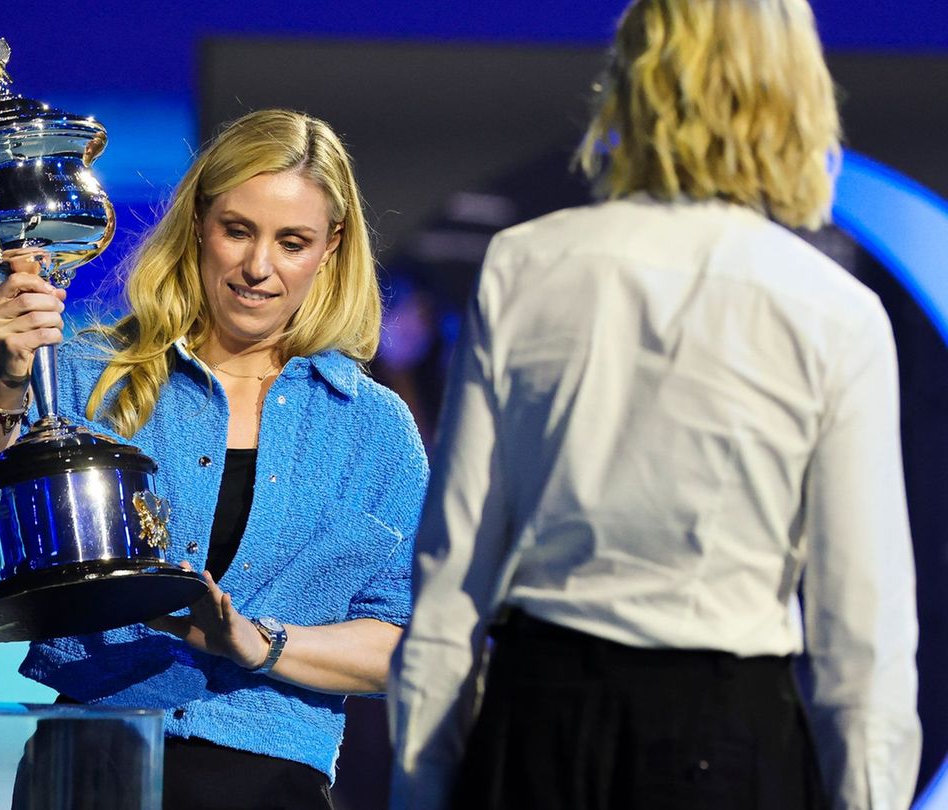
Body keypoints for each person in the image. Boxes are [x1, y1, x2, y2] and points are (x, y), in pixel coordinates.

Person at [389, 2, 920, 809]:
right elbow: (862, 638)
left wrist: (421, 790)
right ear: (793, 90)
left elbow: (452, 576)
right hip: (728, 742)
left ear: (632, 81)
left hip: (541, 727)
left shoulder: (525, 268)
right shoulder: (832, 312)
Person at [0, 108, 428, 809]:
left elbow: (405, 643)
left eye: (292, 242)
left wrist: (258, 643)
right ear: (198, 223)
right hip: (91, 759)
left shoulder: (373, 430)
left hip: (266, 778)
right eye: (238, 231)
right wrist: (6, 384)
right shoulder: (82, 375)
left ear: (330, 247)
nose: (259, 267)